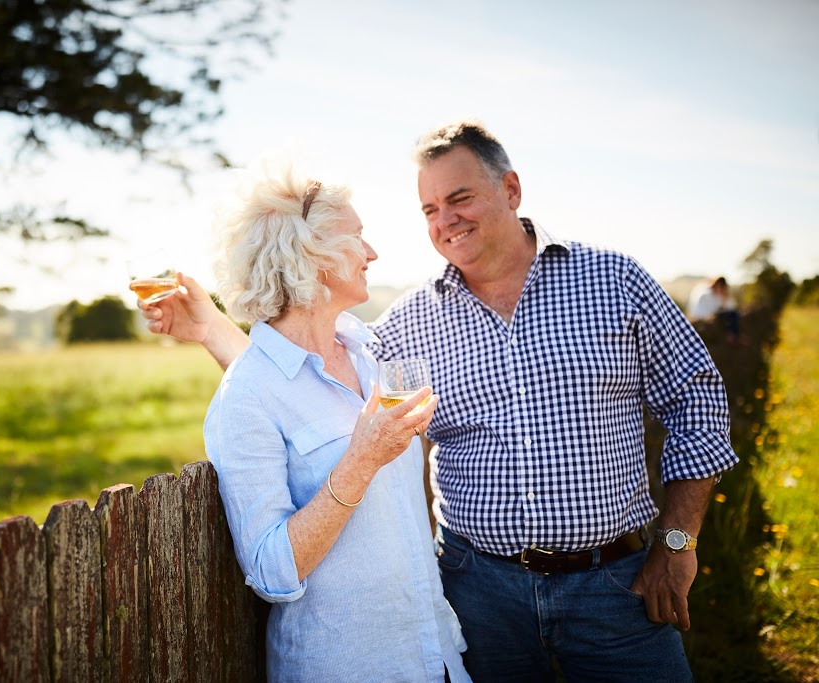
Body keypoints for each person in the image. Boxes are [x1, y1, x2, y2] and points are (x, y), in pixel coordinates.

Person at [140, 120, 738, 681]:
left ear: (510, 189)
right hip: (469, 601)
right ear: (312, 256)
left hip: (605, 589)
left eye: (460, 199)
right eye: (428, 209)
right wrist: (212, 331)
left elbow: (698, 400)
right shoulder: (403, 328)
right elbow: (286, 384)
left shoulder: (607, 284)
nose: (439, 223)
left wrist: (678, 542)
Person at [186, 161, 470, 682]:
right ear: (312, 257)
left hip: (436, 656)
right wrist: (362, 458)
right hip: (345, 666)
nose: (372, 252)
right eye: (358, 236)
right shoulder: (245, 396)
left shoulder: (368, 352)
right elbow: (271, 571)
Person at [688, 275, 742, 343]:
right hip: (702, 315)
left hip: (701, 314)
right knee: (732, 314)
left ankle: (733, 335)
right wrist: (724, 301)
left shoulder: (708, 291)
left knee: (732, 314)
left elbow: (731, 305)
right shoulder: (707, 293)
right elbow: (716, 309)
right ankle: (732, 336)